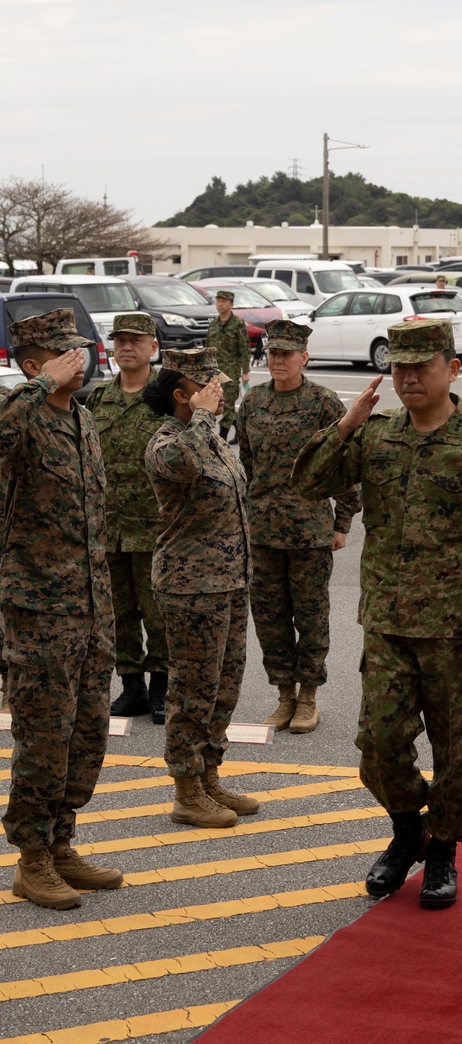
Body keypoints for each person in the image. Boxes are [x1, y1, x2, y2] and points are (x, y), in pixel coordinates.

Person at [293, 317, 462, 908]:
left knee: (460, 747)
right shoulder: (376, 436)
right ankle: (409, 830)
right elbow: (305, 482)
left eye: (422, 367)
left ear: (452, 369)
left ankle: (443, 850)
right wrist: (345, 424)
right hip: (390, 621)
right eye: (399, 367)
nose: (408, 378)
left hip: (457, 627)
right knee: (378, 745)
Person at [0, 308, 122, 910]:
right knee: (44, 738)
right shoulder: (20, 419)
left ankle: (62, 841)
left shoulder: (82, 420)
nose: (83, 358)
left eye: (81, 349)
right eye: (65, 353)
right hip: (38, 610)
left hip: (91, 606)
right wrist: (40, 386)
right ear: (31, 365)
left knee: (86, 734)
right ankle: (32, 858)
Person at [143, 347, 257, 829]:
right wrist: (205, 417)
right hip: (192, 586)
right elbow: (184, 464)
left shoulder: (209, 438)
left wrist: (208, 419)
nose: (221, 392)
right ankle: (187, 790)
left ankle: (209, 775)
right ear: (182, 396)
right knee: (192, 690)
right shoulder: (168, 442)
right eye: (210, 387)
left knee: (223, 686)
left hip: (228, 582)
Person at [237, 321, 360, 733]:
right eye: (273, 354)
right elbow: (249, 463)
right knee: (269, 618)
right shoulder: (252, 402)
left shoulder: (323, 402)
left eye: (287, 354)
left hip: (309, 531)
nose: (278, 361)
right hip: (263, 532)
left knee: (310, 616)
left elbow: (346, 465)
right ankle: (284, 694)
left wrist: (341, 523)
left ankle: (308, 696)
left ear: (304, 357)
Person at [86, 311, 169, 723]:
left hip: (155, 525)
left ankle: (161, 689)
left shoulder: (166, 396)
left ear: (153, 347)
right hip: (109, 527)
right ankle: (131, 686)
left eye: (135, 340)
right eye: (119, 341)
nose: (126, 347)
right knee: (117, 612)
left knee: (158, 612)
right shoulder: (100, 398)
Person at [206, 288, 251, 442]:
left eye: (224, 301)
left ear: (231, 304)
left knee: (228, 405)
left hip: (231, 372)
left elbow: (244, 349)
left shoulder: (238, 324)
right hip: (215, 372)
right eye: (218, 301)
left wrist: (245, 371)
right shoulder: (213, 325)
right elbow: (208, 350)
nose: (220, 304)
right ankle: (239, 428)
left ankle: (222, 438)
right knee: (219, 403)